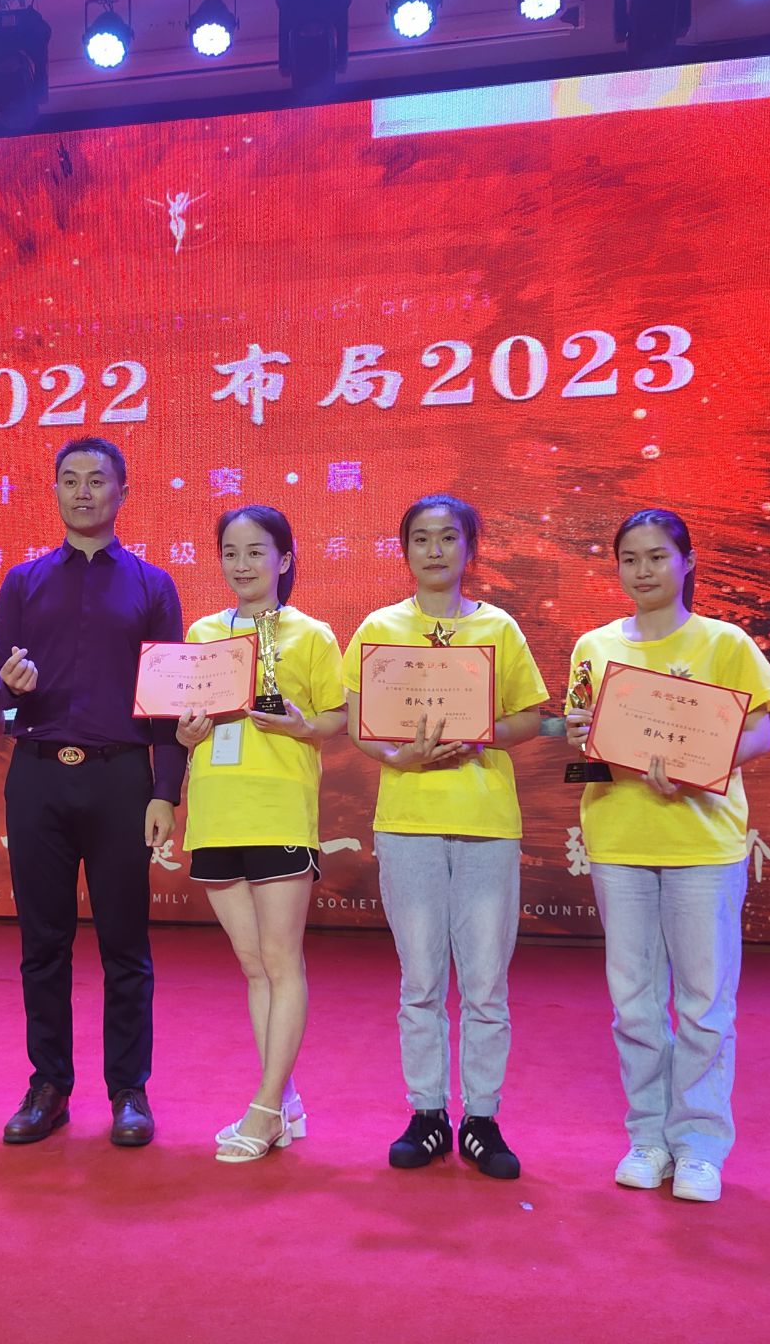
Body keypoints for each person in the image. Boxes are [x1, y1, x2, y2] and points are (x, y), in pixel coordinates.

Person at [564, 508, 770, 1204]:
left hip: (702, 843)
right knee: (633, 1005)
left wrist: (697, 768)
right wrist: (580, 731)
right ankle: (648, 1138)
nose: (643, 571)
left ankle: (698, 1146)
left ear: (687, 562)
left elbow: (760, 733)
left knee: (703, 1003)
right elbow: (582, 733)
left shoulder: (724, 642)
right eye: (629, 559)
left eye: (657, 556)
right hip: (620, 840)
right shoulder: (594, 646)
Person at [0, 436, 184, 1147]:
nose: (82, 492)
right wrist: (10, 685)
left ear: (122, 491)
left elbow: (168, 699)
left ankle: (129, 1090)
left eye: (96, 480)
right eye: (69, 480)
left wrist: (166, 792)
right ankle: (49, 1086)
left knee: (125, 944)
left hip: (120, 777)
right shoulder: (23, 581)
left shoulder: (153, 585)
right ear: (56, 492)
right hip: (38, 773)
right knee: (43, 943)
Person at [342, 494, 549, 1176]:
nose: (434, 550)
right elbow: (360, 723)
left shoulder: (498, 627)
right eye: (421, 539)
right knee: (421, 980)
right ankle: (427, 1113)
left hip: (486, 823)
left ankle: (482, 1118)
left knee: (486, 984)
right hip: (409, 822)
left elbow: (530, 716)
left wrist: (481, 733)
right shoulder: (380, 628)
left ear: (469, 549)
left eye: (448, 538)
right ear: (405, 551)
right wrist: (396, 757)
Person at [174, 505, 346, 1162]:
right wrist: (186, 730)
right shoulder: (203, 633)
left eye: (255, 552)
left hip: (278, 809)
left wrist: (302, 726)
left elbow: (337, 718)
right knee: (252, 965)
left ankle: (266, 1107)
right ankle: (286, 1100)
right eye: (230, 552)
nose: (242, 564)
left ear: (285, 559)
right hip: (216, 809)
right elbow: (185, 716)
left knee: (280, 960)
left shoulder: (312, 634)